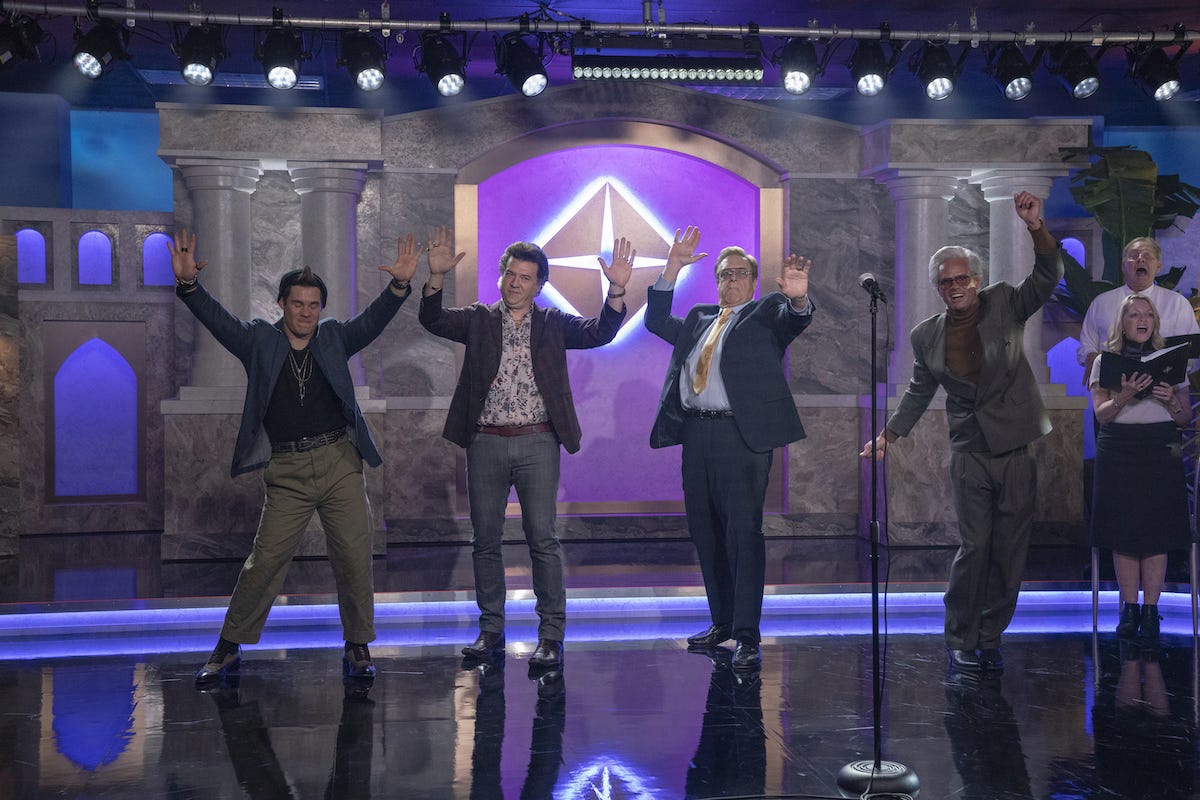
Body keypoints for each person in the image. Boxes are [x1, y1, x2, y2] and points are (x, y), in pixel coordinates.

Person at [170, 229, 420, 687]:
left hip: (339, 462)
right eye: (298, 304)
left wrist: (399, 286)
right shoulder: (259, 341)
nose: (306, 312)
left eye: (313, 305)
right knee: (264, 561)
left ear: (321, 308)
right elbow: (219, 321)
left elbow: (372, 322)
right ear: (281, 304)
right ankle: (229, 645)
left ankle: (358, 643)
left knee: (354, 555)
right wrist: (189, 285)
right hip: (286, 469)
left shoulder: (334, 337)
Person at [860, 190, 1062, 673]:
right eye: (945, 282)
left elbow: (1047, 276)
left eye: (961, 278)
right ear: (938, 288)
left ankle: (990, 634)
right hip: (970, 449)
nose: (954, 287)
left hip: (1014, 445)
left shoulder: (1005, 302)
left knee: (1010, 550)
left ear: (977, 279)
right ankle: (959, 636)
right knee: (975, 546)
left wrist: (1036, 227)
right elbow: (919, 389)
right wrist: (890, 435)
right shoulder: (926, 334)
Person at [418, 226, 632, 669]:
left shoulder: (552, 323)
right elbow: (433, 320)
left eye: (525, 277)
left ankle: (550, 635)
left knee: (543, 540)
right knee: (485, 541)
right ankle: (490, 630)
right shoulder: (478, 319)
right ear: (501, 276)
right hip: (485, 442)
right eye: (510, 274)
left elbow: (599, 333)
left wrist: (615, 290)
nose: (515, 283)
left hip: (538, 441)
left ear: (539, 285)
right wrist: (436, 278)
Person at [645, 226, 814, 670]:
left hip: (741, 437)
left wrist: (798, 301)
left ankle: (747, 635)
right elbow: (656, 321)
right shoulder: (700, 318)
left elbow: (794, 320)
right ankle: (721, 622)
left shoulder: (764, 314)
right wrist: (672, 268)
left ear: (753, 281)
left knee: (743, 534)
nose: (731, 280)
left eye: (740, 273)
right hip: (697, 435)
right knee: (707, 533)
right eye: (724, 274)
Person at [1088, 293, 1192, 639]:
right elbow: (1101, 414)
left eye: (1148, 314)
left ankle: (1150, 611)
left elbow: (1184, 417)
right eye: (1134, 314)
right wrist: (1123, 397)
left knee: (1156, 532)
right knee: (1125, 533)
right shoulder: (1105, 362)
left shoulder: (1170, 362)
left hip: (1159, 447)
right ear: (1122, 323)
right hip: (1120, 448)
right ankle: (1129, 609)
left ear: (1155, 323)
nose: (1142, 319)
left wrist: (1171, 400)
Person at [1077, 236, 1200, 383]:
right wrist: (1090, 357)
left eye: (1147, 256)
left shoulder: (1177, 303)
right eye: (1133, 256)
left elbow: (1191, 350)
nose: (1140, 259)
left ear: (1158, 266)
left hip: (1164, 388)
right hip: (1113, 387)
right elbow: (1087, 343)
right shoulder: (1101, 303)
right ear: (1123, 266)